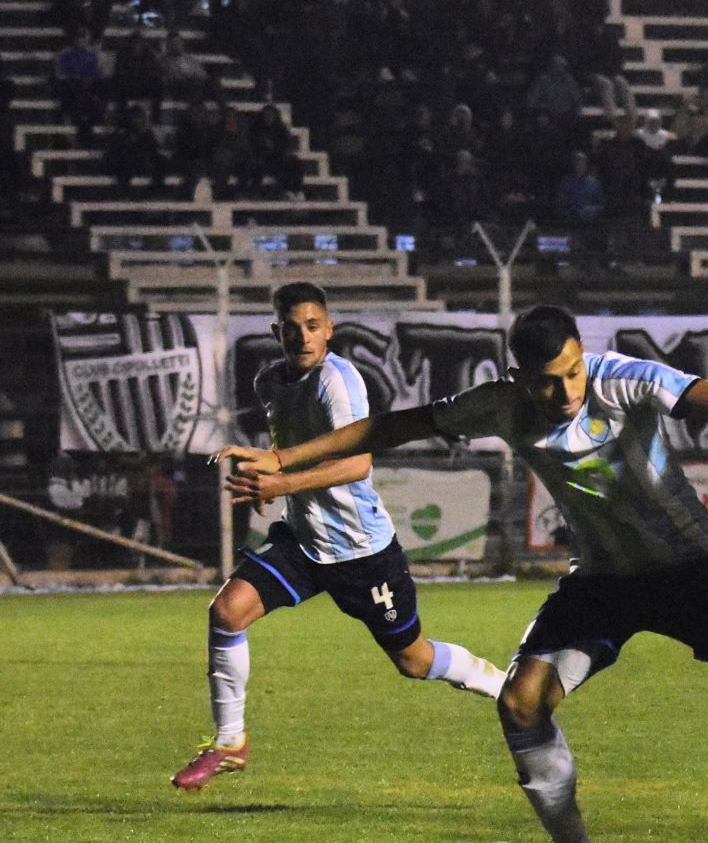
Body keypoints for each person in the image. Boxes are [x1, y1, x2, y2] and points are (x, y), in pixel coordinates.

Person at [214, 305, 708, 843]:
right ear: (518, 377)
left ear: (583, 357)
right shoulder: (501, 403)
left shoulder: (623, 379)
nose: (564, 391)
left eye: (572, 372)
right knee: (520, 702)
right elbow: (390, 427)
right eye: (546, 381)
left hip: (693, 572)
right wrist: (283, 460)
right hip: (602, 581)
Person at [173, 283, 505, 792]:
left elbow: (357, 461)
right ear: (276, 331)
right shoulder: (271, 382)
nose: (302, 336)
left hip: (362, 554)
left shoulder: (338, 381)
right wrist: (268, 477)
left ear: (329, 329)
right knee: (226, 612)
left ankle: (507, 687)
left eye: (312, 325)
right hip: (303, 544)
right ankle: (230, 742)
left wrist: (281, 480)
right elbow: (294, 447)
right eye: (291, 327)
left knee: (413, 660)